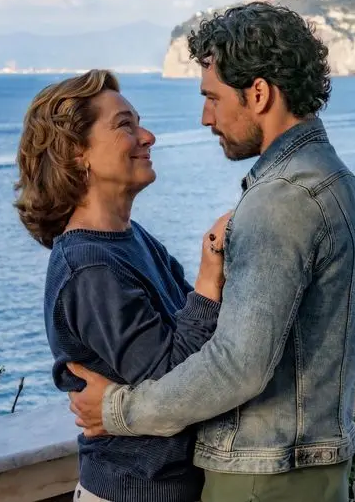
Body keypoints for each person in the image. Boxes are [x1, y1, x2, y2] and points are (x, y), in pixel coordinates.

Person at [68, 2, 355, 502]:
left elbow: (237, 366)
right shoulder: (334, 179)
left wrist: (118, 411)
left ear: (259, 93)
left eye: (212, 97)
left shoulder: (280, 199)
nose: (205, 117)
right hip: (307, 468)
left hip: (262, 476)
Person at [14, 69, 229, 502]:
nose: (147, 137)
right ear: (77, 153)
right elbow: (173, 378)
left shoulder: (130, 239)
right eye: (125, 125)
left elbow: (205, 340)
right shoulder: (89, 267)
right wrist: (210, 274)